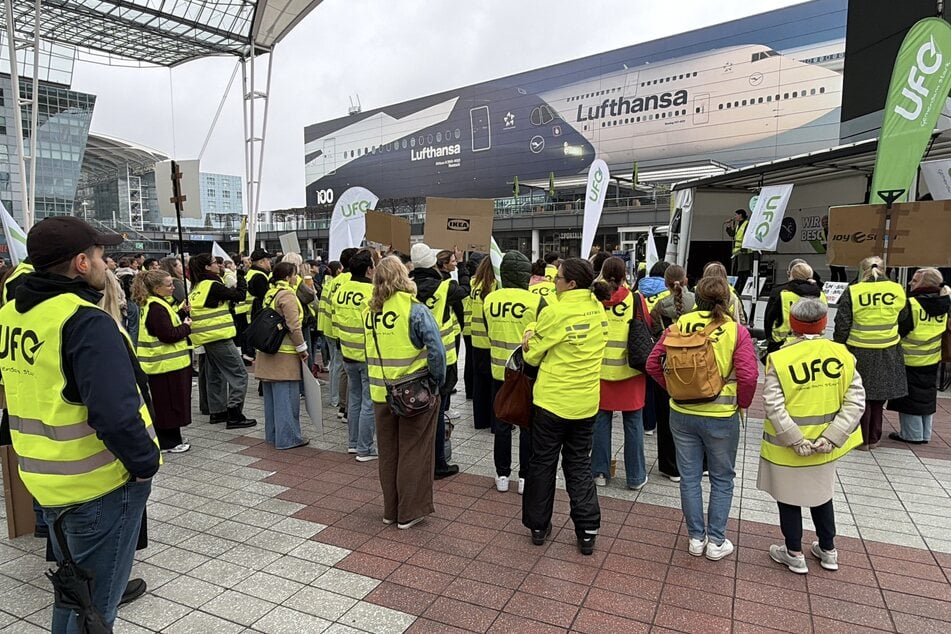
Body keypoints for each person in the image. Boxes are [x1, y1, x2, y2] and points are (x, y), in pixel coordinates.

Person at [0, 216, 160, 632]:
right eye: (102, 256)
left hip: (46, 479)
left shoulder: (14, 314)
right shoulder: (84, 321)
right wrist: (145, 465)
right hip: (99, 485)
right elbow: (115, 412)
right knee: (95, 611)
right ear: (81, 263)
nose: (108, 265)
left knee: (74, 597)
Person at [646, 276, 758, 562]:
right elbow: (748, 375)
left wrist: (674, 389)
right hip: (721, 414)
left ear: (699, 298)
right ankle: (716, 541)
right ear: (726, 300)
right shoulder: (736, 331)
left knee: (690, 477)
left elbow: (652, 364)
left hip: (682, 413)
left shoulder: (677, 326)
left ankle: (696, 538)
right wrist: (741, 403)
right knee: (722, 478)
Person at [758, 298, 865, 574]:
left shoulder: (779, 359)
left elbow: (773, 405)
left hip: (787, 448)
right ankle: (828, 550)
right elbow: (856, 401)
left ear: (792, 325)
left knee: (789, 497)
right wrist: (832, 437)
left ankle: (794, 553)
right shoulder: (842, 354)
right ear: (824, 323)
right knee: (823, 495)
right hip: (825, 446)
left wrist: (794, 438)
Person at [520, 257, 608, 555]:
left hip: (552, 402)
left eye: (557, 278)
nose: (553, 282)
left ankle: (538, 526)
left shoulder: (555, 311)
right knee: (579, 463)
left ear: (571, 283)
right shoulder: (597, 307)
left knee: (543, 462)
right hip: (585, 402)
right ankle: (587, 529)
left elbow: (531, 357)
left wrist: (530, 332)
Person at [364, 256, 446, 529]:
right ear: (403, 276)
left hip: (380, 392)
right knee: (414, 450)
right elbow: (436, 351)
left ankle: (390, 510)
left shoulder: (370, 311)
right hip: (413, 394)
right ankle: (409, 512)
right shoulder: (414, 309)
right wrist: (437, 381)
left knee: (388, 453)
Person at [484, 251, 545, 494]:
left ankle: (501, 474)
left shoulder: (490, 299)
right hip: (526, 372)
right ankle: (524, 477)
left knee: (502, 422)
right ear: (526, 276)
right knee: (527, 423)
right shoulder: (537, 301)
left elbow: (489, 331)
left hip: (499, 371)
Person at [833, 256, 909, 449]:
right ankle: (874, 437)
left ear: (862, 270)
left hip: (859, 350)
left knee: (860, 396)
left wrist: (839, 347)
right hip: (889, 350)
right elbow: (905, 318)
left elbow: (842, 323)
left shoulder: (854, 291)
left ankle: (861, 439)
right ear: (885, 270)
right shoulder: (897, 290)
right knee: (878, 397)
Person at [591, 257, 648, 490]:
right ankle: (635, 477)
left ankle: (600, 474)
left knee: (601, 423)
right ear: (625, 275)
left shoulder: (594, 299)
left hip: (599, 370)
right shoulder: (636, 299)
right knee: (633, 423)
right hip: (630, 371)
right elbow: (648, 324)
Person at [410, 242, 463, 479]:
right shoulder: (445, 287)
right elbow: (466, 291)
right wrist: (461, 266)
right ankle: (438, 463)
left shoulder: (406, 288)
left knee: (416, 411)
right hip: (443, 358)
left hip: (412, 360)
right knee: (438, 411)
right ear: (433, 263)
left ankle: (420, 461)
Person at [187, 253, 257, 429]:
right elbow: (239, 295)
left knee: (215, 375)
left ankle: (217, 412)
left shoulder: (197, 287)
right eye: (214, 263)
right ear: (206, 267)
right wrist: (241, 277)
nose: (219, 265)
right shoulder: (213, 285)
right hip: (218, 336)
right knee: (239, 374)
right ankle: (234, 414)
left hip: (206, 337)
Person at [132, 270, 193, 453]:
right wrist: (186, 327)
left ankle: (171, 439)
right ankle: (169, 442)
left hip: (161, 365)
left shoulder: (155, 304)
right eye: (168, 285)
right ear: (157, 288)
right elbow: (168, 335)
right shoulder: (157, 307)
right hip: (165, 366)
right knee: (169, 405)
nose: (173, 287)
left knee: (165, 403)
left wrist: (181, 313)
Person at [887, 268, 950, 444]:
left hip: (909, 358)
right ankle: (924, 433)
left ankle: (911, 434)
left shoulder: (912, 304)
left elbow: (899, 330)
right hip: (932, 357)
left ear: (924, 284)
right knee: (927, 395)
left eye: (914, 281)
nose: (909, 283)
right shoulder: (944, 303)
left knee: (909, 397)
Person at [648, 264, 696, 482]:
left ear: (665, 283)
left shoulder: (659, 306)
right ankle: (695, 462)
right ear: (685, 280)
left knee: (666, 418)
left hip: (667, 365)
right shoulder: (697, 301)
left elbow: (653, 332)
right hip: (696, 365)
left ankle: (670, 466)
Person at [256, 262, 310, 449]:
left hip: (268, 352)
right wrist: (302, 348)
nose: (296, 278)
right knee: (286, 398)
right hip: (284, 355)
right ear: (288, 277)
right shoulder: (287, 295)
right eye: (295, 275)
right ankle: (288, 438)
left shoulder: (270, 292)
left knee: (272, 400)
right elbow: (294, 326)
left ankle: (273, 435)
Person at [332, 249, 377, 460]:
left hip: (347, 352)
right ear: (369, 269)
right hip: (367, 354)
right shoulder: (371, 293)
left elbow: (335, 321)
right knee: (369, 402)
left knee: (355, 399)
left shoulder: (341, 289)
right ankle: (364, 448)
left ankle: (353, 443)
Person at [636, 260, 671, 435]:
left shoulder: (638, 291)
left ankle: (648, 425)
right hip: (661, 344)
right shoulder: (668, 293)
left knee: (646, 385)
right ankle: (662, 420)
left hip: (640, 343)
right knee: (662, 384)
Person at [764, 260, 827, 354]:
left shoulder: (783, 294)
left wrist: (770, 340)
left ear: (790, 275)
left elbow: (769, 319)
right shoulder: (821, 295)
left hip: (783, 344)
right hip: (813, 343)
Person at [467, 256, 496, 430]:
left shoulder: (473, 284)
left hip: (475, 339)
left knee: (479, 382)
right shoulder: (495, 286)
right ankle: (494, 421)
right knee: (494, 383)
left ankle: (480, 420)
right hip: (491, 340)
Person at [726, 208, 752, 294]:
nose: (735, 217)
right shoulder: (738, 225)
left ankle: (742, 289)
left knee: (743, 271)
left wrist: (743, 248)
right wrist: (729, 226)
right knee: (737, 270)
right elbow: (733, 234)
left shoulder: (746, 224)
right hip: (737, 252)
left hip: (744, 252)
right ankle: (738, 288)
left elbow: (747, 237)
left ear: (740, 215)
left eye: (736, 215)